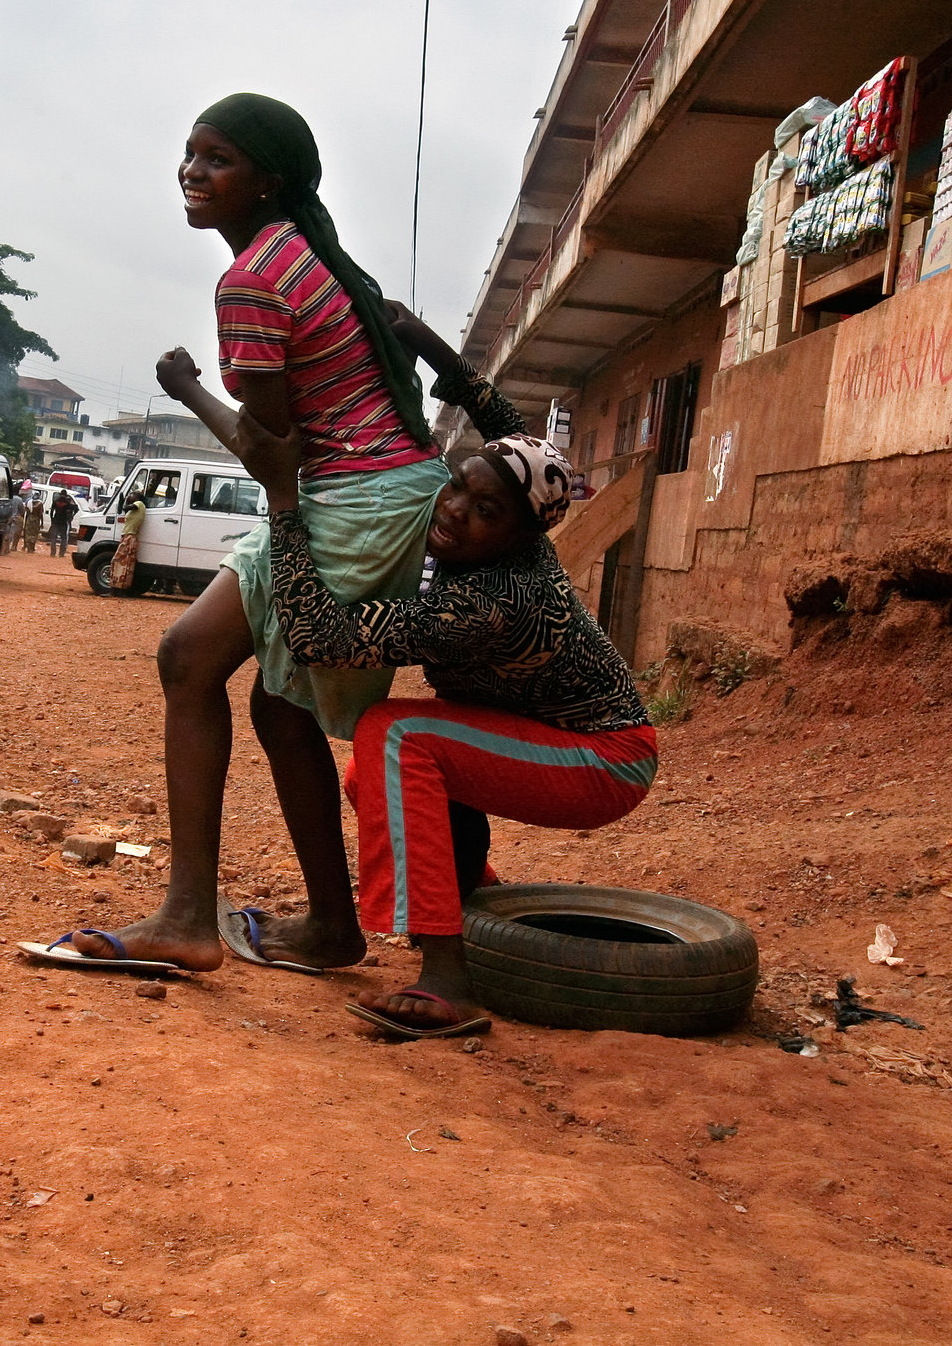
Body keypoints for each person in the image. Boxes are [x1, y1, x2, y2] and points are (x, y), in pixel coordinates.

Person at [39, 93, 448, 976]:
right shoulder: (303, 253)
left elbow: (273, 453)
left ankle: (192, 916)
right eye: (189, 153)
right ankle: (325, 925)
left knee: (205, 665)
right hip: (373, 488)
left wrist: (186, 390)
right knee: (243, 684)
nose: (193, 171)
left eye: (217, 158)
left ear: (269, 182)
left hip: (354, 497)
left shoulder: (256, 278)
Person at [231, 309, 658, 1038]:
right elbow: (504, 418)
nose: (454, 510)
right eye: (458, 485)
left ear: (522, 535)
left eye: (485, 510)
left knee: (395, 736)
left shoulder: (493, 599)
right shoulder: (505, 519)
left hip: (606, 756)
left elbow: (320, 636)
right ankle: (469, 899)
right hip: (533, 731)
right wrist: (422, 339)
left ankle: (448, 978)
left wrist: (283, 499)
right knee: (375, 773)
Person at [45, 488, 76, 557]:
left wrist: (52, 519)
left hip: (56, 521)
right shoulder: (68, 503)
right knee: (63, 538)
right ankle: (61, 553)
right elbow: (76, 508)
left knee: (53, 538)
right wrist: (71, 517)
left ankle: (53, 553)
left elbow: (52, 511)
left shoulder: (56, 501)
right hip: (63, 522)